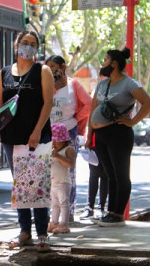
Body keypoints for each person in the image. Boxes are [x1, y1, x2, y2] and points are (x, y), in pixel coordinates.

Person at [0, 31, 54, 252]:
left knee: (37, 185)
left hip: (36, 138)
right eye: (25, 43)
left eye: (33, 44)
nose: (28, 47)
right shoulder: (4, 72)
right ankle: (25, 231)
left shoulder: (42, 71)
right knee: (20, 186)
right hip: (10, 137)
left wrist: (36, 131)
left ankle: (42, 232)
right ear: (16, 46)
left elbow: (47, 104)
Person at [86, 47, 150, 227]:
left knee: (121, 175)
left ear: (114, 64)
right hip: (100, 135)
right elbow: (93, 109)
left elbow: (148, 103)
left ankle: (118, 215)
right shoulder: (102, 84)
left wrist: (133, 122)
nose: (103, 63)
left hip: (118, 134)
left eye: (105, 59)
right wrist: (89, 134)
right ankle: (111, 213)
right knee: (109, 174)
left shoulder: (129, 83)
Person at [45, 55, 91, 221]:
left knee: (68, 174)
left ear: (62, 67)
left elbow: (89, 104)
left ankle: (68, 212)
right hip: (48, 134)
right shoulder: (45, 85)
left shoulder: (74, 84)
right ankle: (51, 215)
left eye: (52, 66)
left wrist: (76, 118)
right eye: (47, 66)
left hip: (68, 133)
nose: (49, 69)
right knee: (48, 173)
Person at [47, 123, 76, 234]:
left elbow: (70, 164)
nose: (54, 143)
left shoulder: (68, 150)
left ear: (64, 140)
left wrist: (58, 156)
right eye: (52, 141)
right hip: (53, 182)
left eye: (57, 141)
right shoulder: (52, 151)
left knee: (64, 203)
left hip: (63, 182)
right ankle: (54, 222)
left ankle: (64, 224)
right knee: (54, 204)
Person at [81, 134, 109, 221]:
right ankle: (89, 207)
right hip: (94, 142)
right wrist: (89, 139)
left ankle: (101, 207)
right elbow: (91, 122)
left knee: (105, 175)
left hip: (107, 143)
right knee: (94, 175)